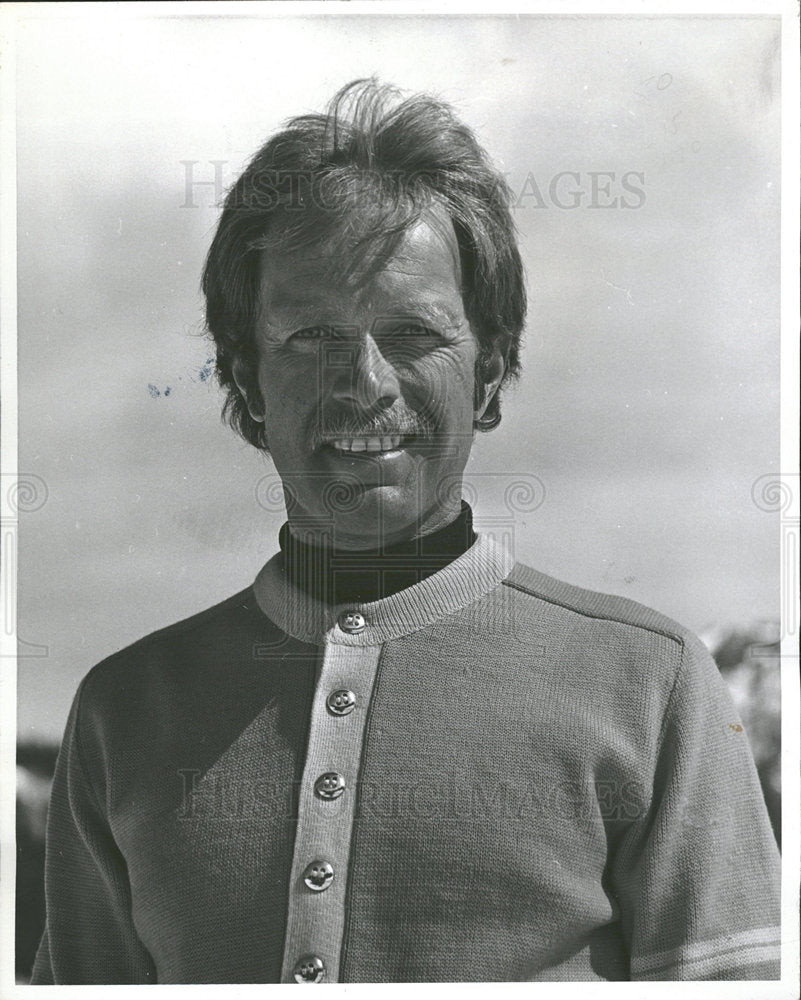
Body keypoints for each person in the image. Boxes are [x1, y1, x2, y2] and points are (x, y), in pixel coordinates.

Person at [31, 79, 780, 984]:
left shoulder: (646, 686)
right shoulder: (125, 713)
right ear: (244, 376)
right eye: (311, 335)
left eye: (414, 332)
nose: (366, 383)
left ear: (492, 369)